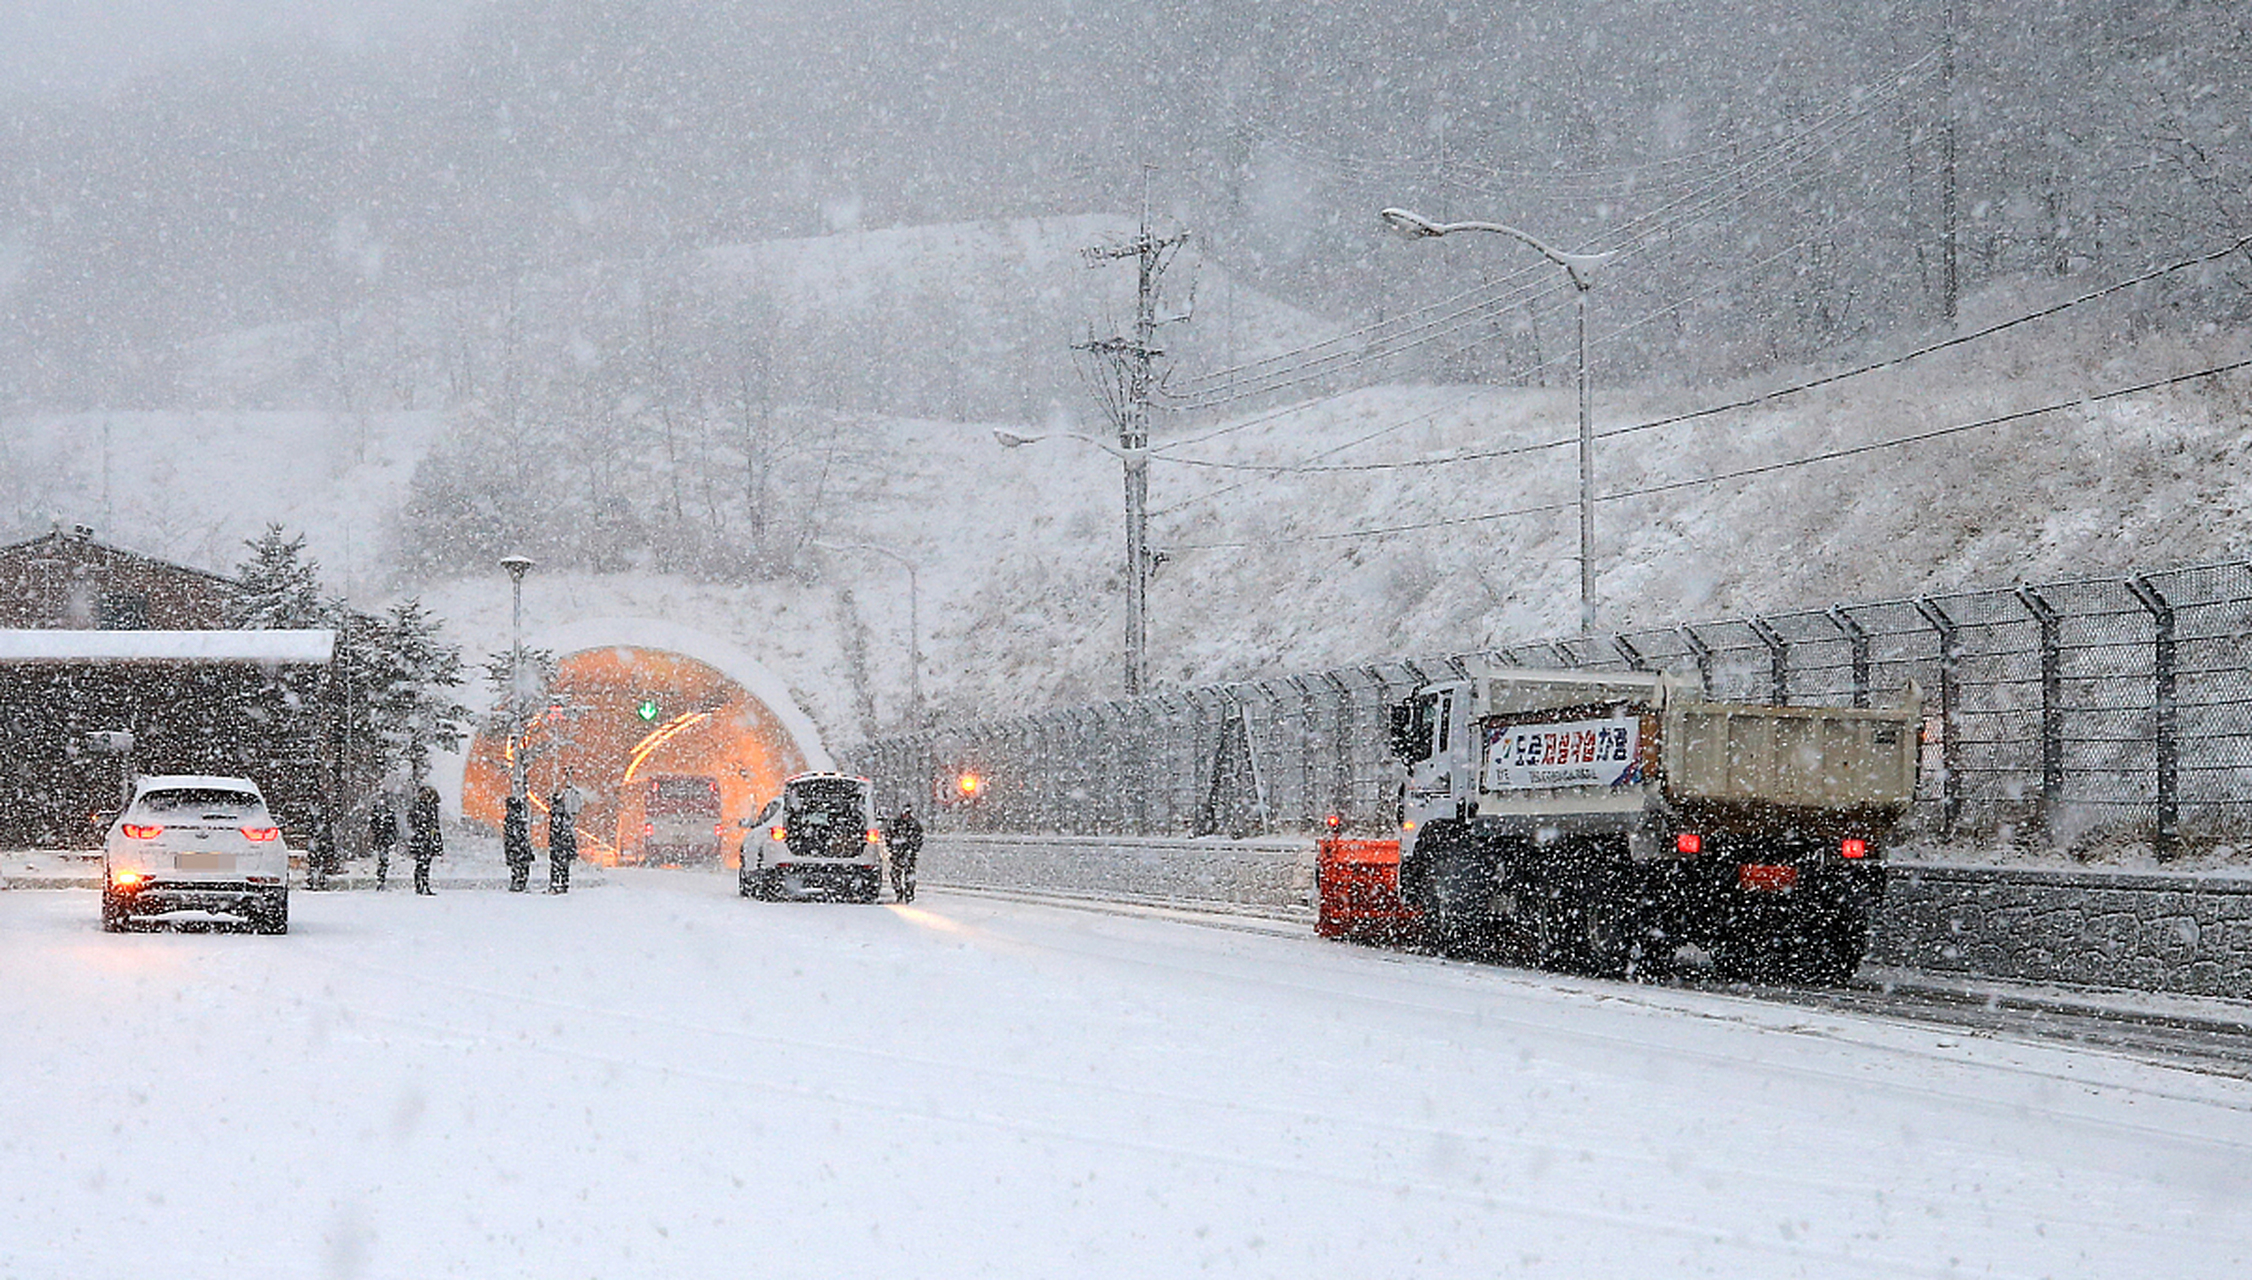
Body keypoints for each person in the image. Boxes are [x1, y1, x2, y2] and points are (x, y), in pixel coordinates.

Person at [547, 778, 583, 894]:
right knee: (563, 867)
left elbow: (556, 833)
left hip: (559, 847)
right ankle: (562, 884)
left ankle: (556, 884)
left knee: (557, 866)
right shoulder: (564, 819)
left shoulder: (557, 819)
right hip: (563, 847)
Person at [882, 804, 923, 903]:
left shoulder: (913, 825)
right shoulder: (896, 824)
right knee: (896, 875)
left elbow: (919, 839)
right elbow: (888, 836)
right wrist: (892, 849)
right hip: (898, 854)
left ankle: (909, 894)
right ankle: (899, 892)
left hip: (907, 854)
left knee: (908, 875)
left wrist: (913, 850)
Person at [408, 783, 443, 895]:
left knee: (425, 863)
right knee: (421, 863)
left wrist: (436, 839)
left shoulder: (432, 807)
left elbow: (435, 824)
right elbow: (413, 821)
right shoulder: (419, 807)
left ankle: (424, 885)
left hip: (427, 839)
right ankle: (420, 886)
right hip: (422, 838)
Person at [503, 791, 533, 892]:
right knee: (521, 867)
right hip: (519, 848)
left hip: (515, 848)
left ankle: (517, 882)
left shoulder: (511, 819)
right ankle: (519, 882)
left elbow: (512, 836)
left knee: (517, 867)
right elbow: (521, 835)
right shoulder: (518, 819)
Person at [369, 797, 399, 891]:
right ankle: (381, 880)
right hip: (383, 839)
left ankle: (381, 880)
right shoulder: (386, 814)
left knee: (383, 860)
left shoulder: (384, 814)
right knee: (383, 860)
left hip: (383, 839)